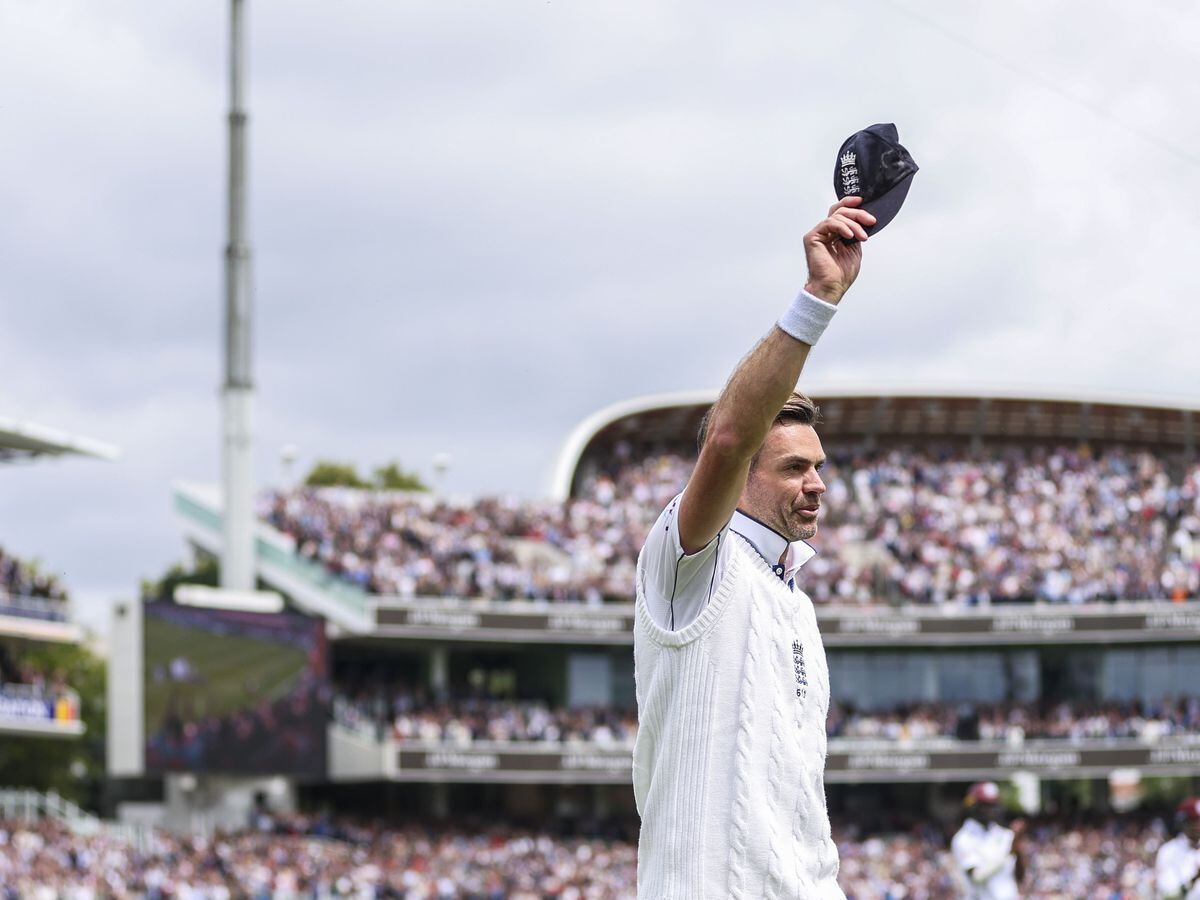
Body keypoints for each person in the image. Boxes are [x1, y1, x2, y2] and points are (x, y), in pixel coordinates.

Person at [632, 196, 877, 899]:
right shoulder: (690, 564)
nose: (818, 484)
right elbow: (732, 433)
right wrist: (818, 299)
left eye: (819, 466)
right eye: (794, 468)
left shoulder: (793, 599)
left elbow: (801, 807)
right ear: (740, 476)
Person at [950, 781, 1025, 900]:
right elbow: (977, 876)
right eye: (986, 805)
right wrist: (1008, 851)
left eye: (993, 805)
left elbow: (1020, 877)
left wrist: (1018, 849)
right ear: (974, 806)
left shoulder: (1006, 834)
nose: (991, 810)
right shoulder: (963, 839)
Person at [1157, 797, 1200, 899]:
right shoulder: (1169, 851)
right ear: (1183, 822)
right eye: (1196, 820)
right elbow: (1168, 896)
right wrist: (1195, 878)